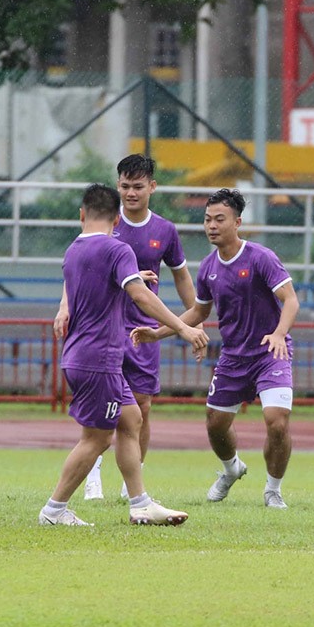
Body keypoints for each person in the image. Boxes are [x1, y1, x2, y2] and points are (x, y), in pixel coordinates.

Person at [40, 183, 208, 527]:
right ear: (117, 220)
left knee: (131, 421)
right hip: (99, 358)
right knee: (98, 438)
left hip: (84, 355)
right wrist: (184, 328)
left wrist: (132, 277)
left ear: (82, 215)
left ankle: (140, 503)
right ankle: (53, 511)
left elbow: (99, 285)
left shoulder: (74, 250)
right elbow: (141, 298)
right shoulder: (117, 250)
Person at [132, 189, 299, 509]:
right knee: (215, 424)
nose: (211, 225)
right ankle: (230, 468)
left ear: (237, 222)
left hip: (269, 353)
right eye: (207, 219)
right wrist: (157, 334)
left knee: (277, 421)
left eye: (219, 219)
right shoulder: (208, 267)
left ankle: (273, 489)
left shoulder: (261, 257)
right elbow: (198, 312)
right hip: (233, 358)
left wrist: (279, 334)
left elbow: (290, 299)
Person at [79, 154, 198, 501]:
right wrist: (65, 307)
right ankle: (93, 472)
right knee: (102, 403)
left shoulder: (165, 230)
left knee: (142, 407)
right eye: (125, 186)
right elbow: (80, 270)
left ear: (152, 187)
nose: (131, 193)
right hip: (106, 326)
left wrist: (195, 314)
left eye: (138, 186)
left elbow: (181, 275)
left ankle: (133, 480)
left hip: (145, 331)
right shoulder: (105, 225)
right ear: (118, 186)